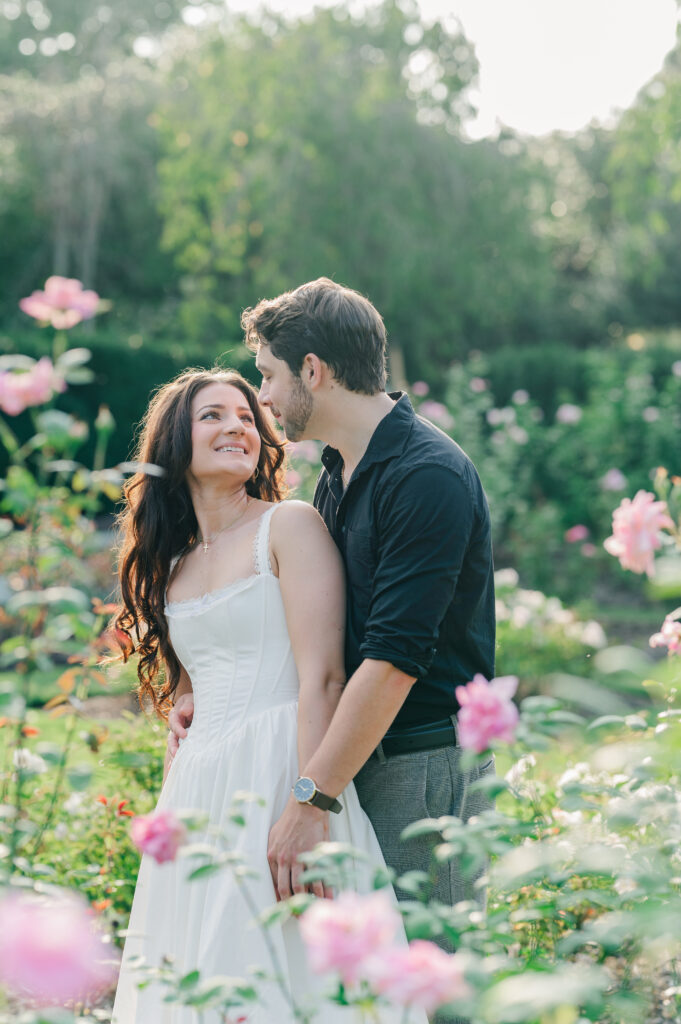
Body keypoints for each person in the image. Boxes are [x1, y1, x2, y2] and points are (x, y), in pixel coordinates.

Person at [168, 280, 497, 945]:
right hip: (351, 757)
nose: (259, 399)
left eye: (266, 376)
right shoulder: (338, 472)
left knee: (434, 977)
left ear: (312, 371)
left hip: (419, 767)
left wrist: (310, 798)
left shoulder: (425, 474)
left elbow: (395, 660)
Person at [111, 368, 426, 1024]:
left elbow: (323, 679)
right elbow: (192, 686)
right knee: (199, 976)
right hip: (198, 790)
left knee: (292, 973)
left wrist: (309, 809)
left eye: (248, 416)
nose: (237, 427)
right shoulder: (171, 561)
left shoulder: (288, 525)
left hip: (284, 769)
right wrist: (179, 750)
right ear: (174, 441)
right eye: (213, 416)